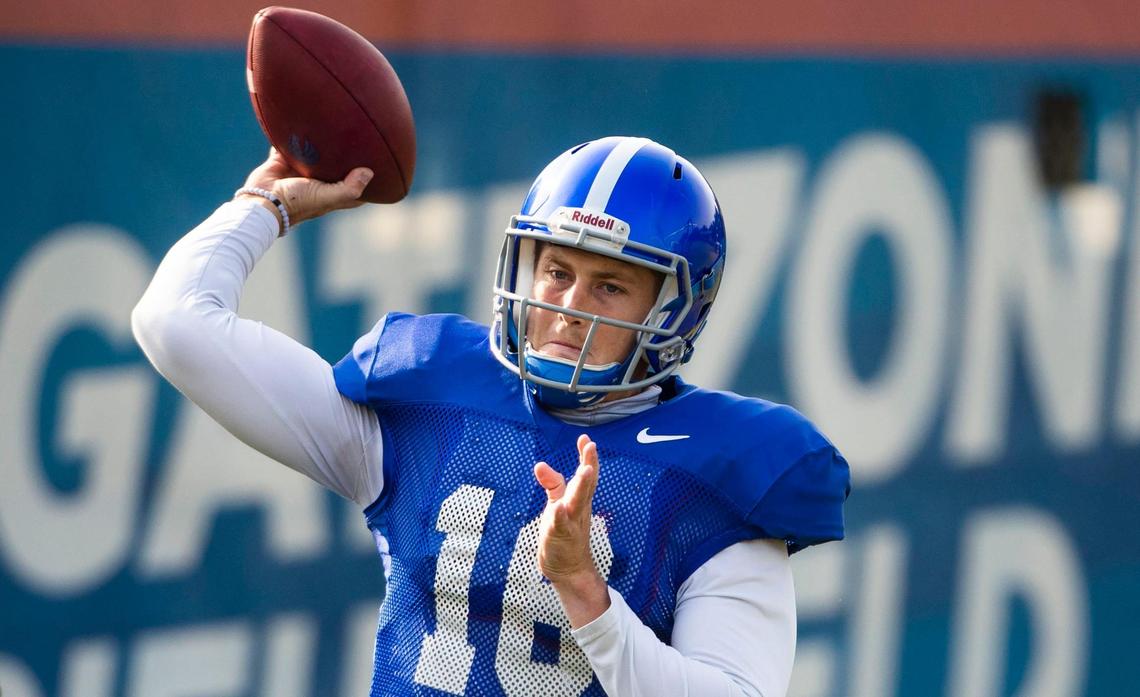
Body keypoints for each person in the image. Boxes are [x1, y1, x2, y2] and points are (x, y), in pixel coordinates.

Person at [133, 136, 850, 697]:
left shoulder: (723, 476)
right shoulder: (430, 407)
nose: (568, 305)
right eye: (558, 271)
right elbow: (174, 323)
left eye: (609, 286)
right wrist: (266, 205)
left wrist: (584, 593)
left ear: (672, 310)